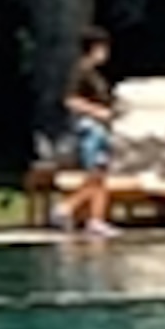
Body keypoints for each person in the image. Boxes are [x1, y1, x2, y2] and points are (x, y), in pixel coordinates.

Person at [61, 27, 115, 237]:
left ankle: (96, 219)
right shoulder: (81, 71)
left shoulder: (94, 74)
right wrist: (98, 112)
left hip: (101, 127)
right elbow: (71, 100)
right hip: (90, 126)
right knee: (94, 173)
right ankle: (67, 206)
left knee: (101, 175)